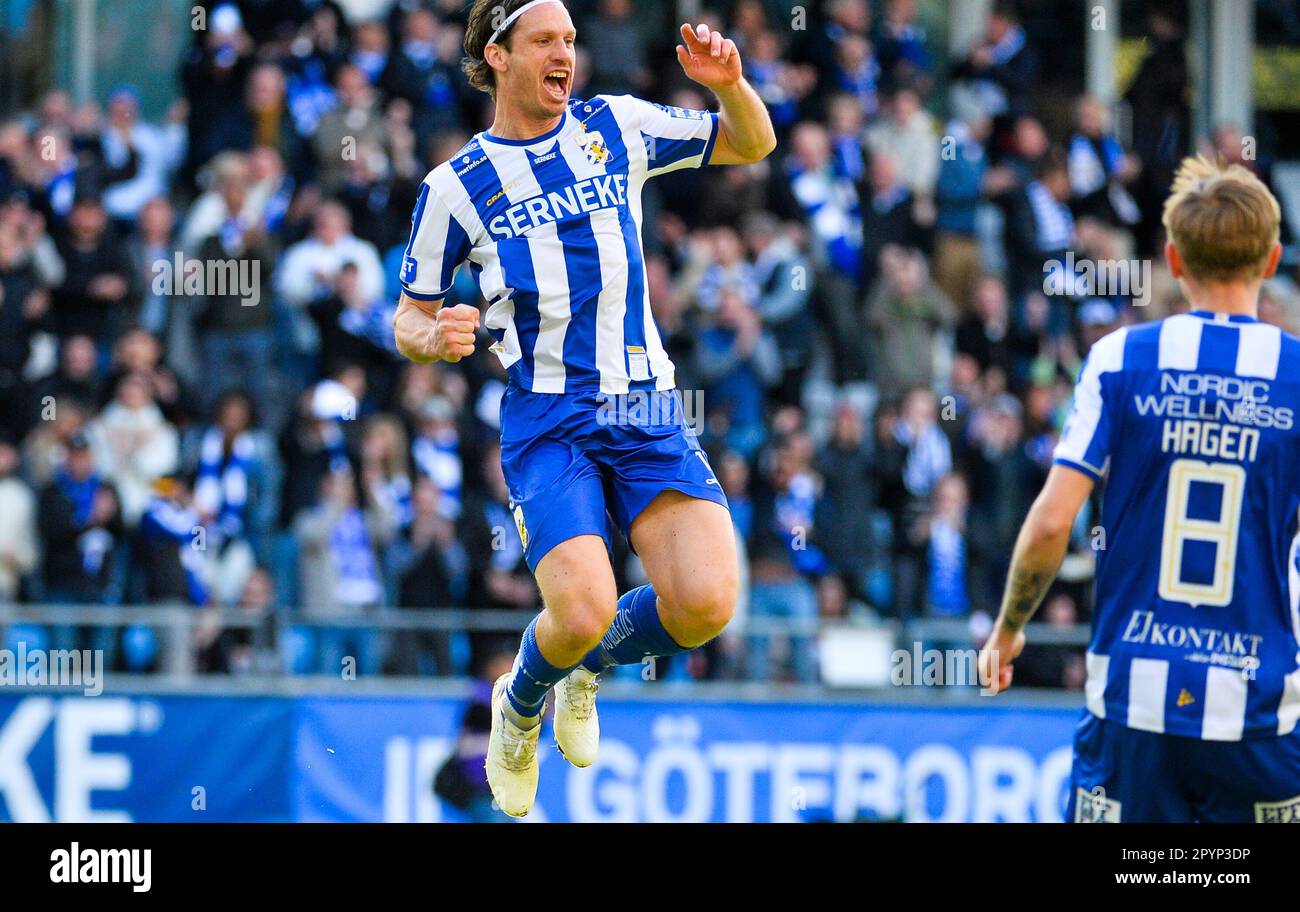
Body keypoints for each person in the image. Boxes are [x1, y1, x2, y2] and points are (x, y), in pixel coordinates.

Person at [392, 0, 775, 817]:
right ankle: (521, 703)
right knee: (584, 605)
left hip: (645, 405)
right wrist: (437, 335)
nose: (566, 53)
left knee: (707, 604)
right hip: (549, 416)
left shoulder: (617, 126)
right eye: (545, 41)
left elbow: (752, 142)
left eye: (570, 40)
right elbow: (408, 315)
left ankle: (588, 668)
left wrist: (732, 86)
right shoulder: (454, 187)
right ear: (498, 56)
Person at [980, 157, 1300, 822]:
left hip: (1135, 703)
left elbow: (1049, 524)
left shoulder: (1120, 359)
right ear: (1271, 261)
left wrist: (1010, 629)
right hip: (1263, 713)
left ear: (1173, 260)